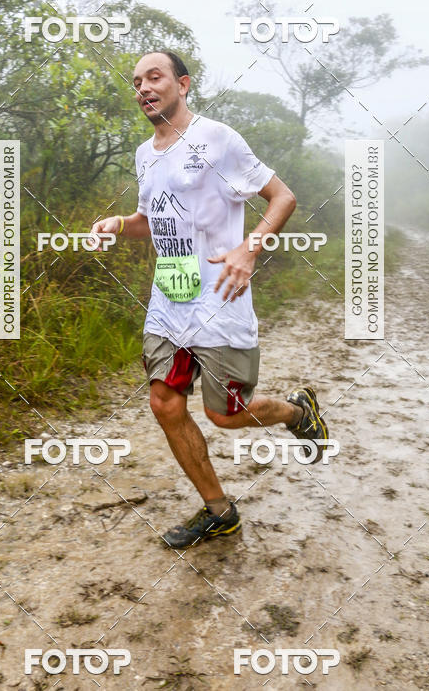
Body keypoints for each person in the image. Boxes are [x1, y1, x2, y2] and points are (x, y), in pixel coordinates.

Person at [91, 50, 328, 548]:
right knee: (165, 403)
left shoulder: (216, 138)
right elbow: (148, 223)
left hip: (221, 298)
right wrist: (118, 224)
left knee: (224, 414)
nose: (144, 88)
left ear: (182, 83)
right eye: (136, 82)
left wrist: (249, 247)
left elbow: (282, 197)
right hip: (171, 297)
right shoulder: (144, 154)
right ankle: (219, 511)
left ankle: (296, 412)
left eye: (154, 77)